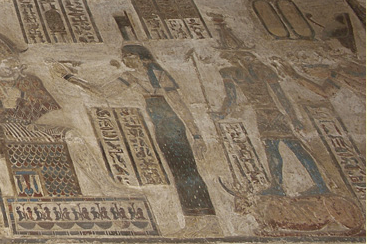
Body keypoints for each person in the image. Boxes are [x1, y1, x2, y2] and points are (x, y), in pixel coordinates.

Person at [213, 51, 329, 197]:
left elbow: (279, 96)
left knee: (288, 149)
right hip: (267, 115)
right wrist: (222, 114)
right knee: (277, 149)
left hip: (269, 115)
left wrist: (293, 118)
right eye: (241, 58)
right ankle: (283, 186)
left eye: (247, 58)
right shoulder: (235, 72)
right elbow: (232, 99)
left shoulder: (249, 71)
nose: (244, 61)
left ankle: (315, 185)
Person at [117, 45, 215, 216]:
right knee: (177, 172)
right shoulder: (130, 77)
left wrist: (197, 136)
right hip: (160, 128)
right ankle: (192, 214)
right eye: (123, 56)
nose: (124, 59)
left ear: (141, 57)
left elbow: (180, 105)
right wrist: (70, 78)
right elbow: (102, 92)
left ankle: (204, 214)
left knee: (187, 170)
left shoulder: (159, 75)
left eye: (128, 55)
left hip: (172, 126)